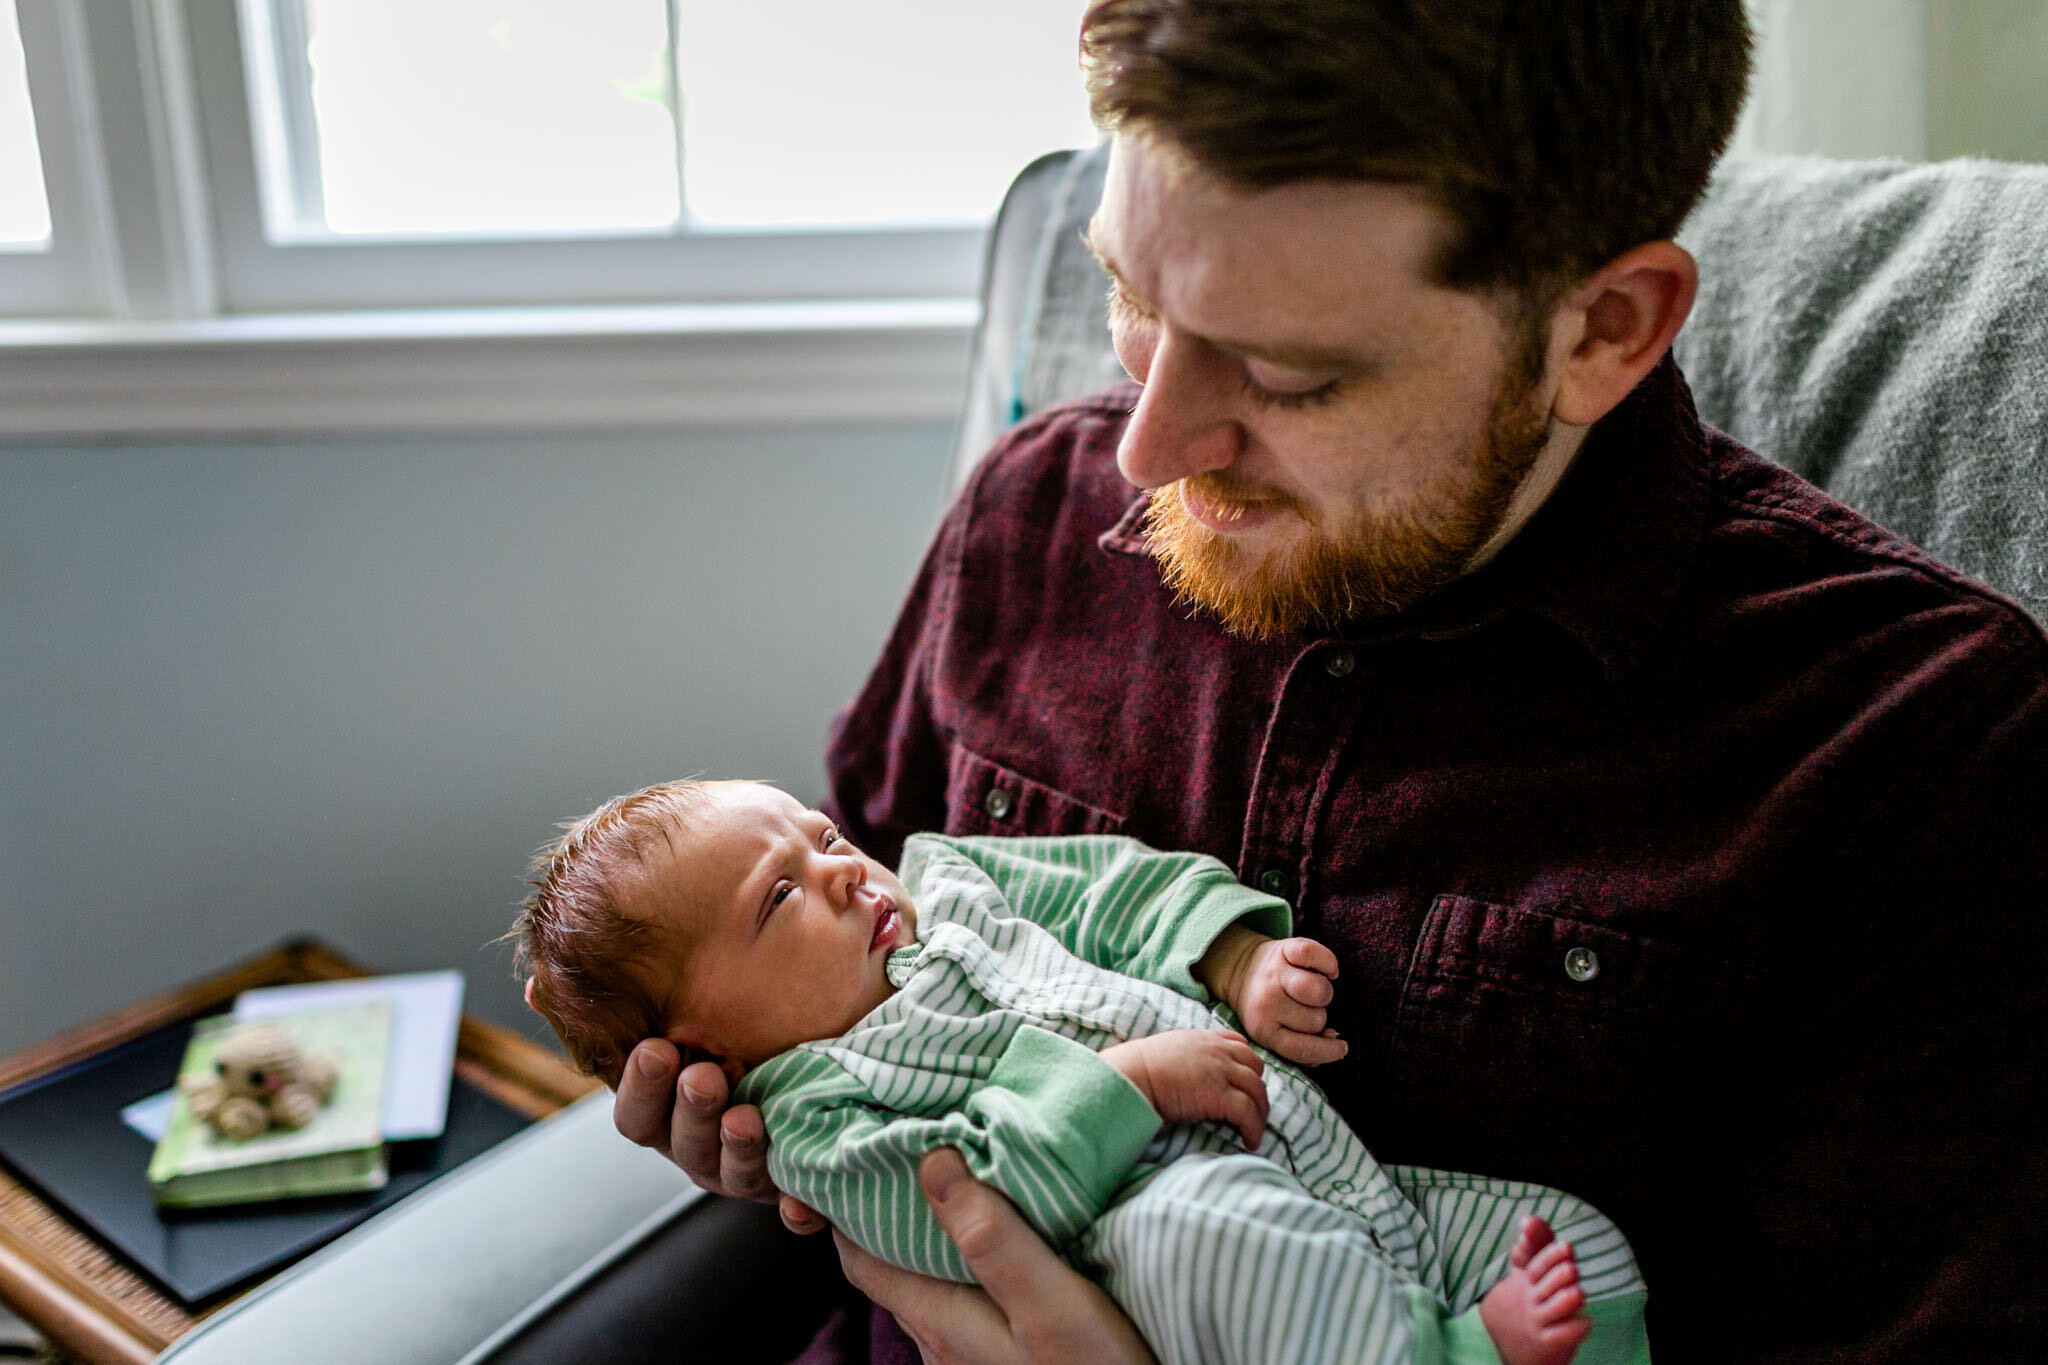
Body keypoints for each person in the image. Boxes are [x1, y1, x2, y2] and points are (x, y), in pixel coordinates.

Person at [615, 2, 2048, 1360]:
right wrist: (746, 1086)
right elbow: (855, 907)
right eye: (1129, 298)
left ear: (1605, 326)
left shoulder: (1916, 745)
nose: (1145, 446)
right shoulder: (1028, 519)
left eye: (1288, 378)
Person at [518, 778, 1649, 1365]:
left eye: (822, 840)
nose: (840, 874)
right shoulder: (818, 1117)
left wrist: (1235, 957)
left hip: (1345, 1183)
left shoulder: (950, 881)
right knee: (1211, 1227)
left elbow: (1115, 888)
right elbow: (952, 1207)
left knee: (1571, 1242)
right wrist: (1134, 1084)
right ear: (707, 1048)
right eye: (776, 899)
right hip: (1166, 1255)